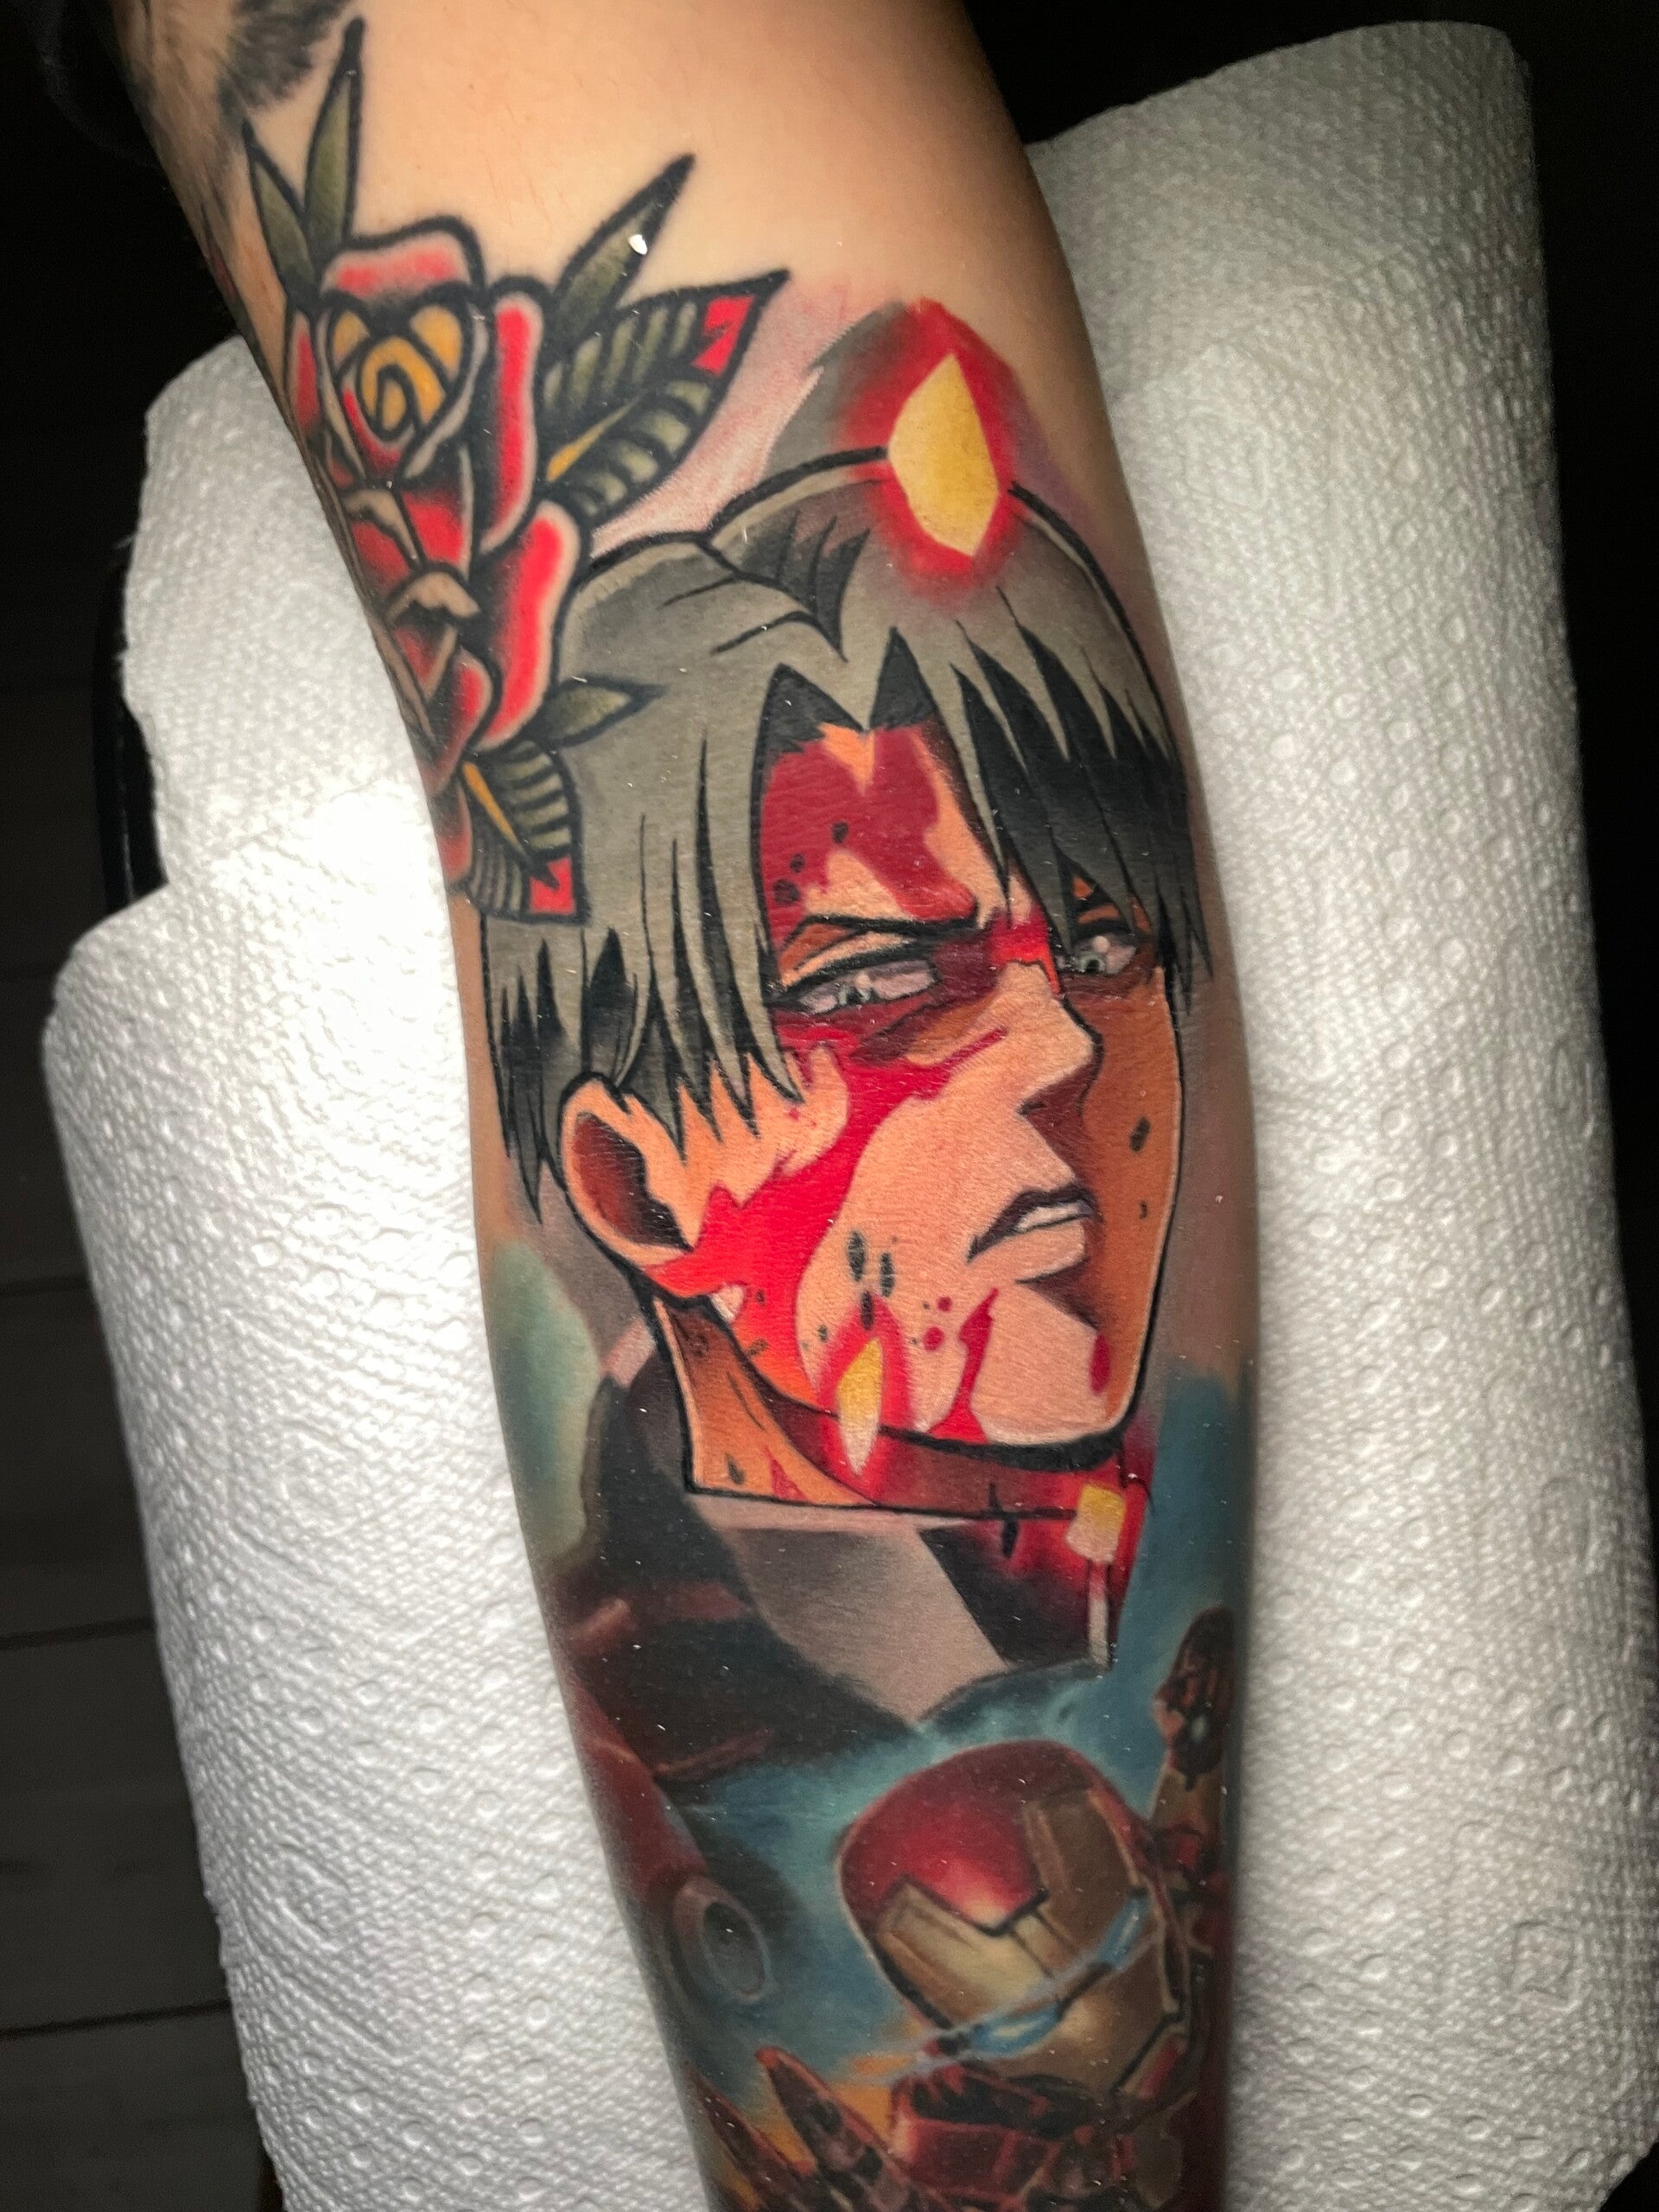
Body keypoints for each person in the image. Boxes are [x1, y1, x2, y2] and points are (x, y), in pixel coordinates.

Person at [55, 4, 1260, 2204]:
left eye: (1103, 941)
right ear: (629, 1172)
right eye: (882, 984)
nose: (1072, 1050)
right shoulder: (724, 1693)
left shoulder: (1084, 1525)